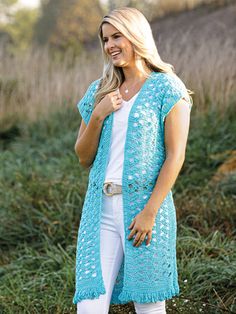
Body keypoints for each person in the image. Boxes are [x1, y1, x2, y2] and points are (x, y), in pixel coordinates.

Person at [73, 6, 193, 314]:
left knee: (149, 305)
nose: (110, 45)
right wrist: (98, 115)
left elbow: (175, 156)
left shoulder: (167, 88)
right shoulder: (99, 90)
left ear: (136, 35)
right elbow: (83, 156)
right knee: (89, 306)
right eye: (105, 39)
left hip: (145, 210)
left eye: (117, 36)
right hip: (100, 210)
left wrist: (150, 212)